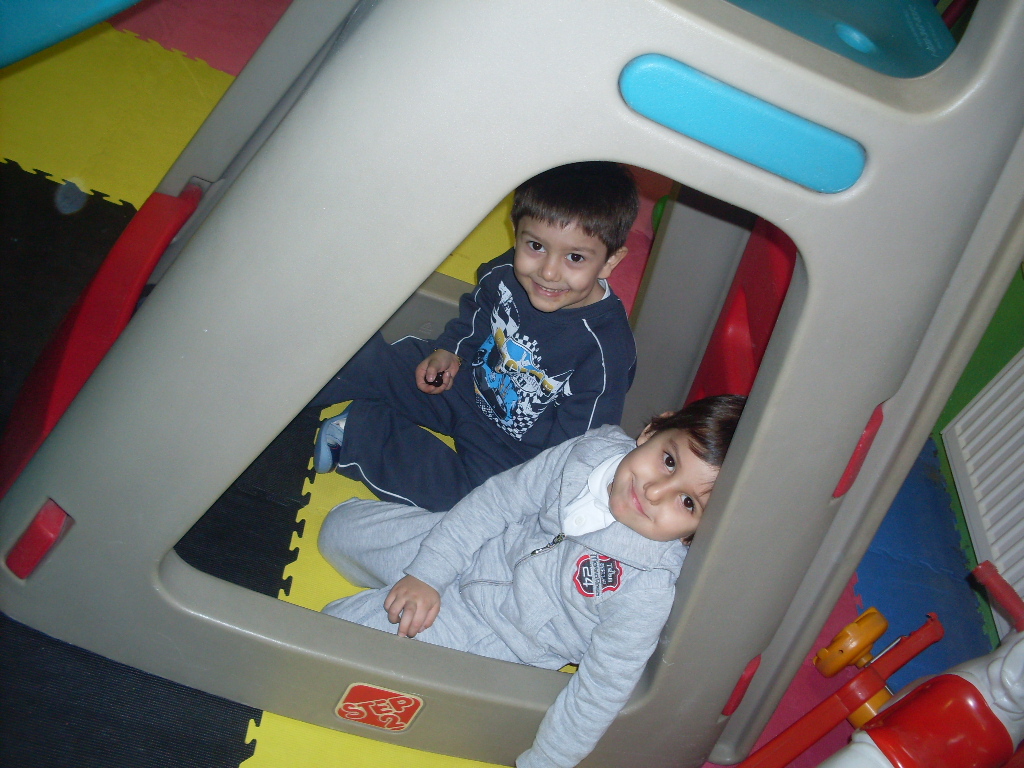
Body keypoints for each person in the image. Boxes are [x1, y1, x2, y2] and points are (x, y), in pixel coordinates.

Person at [318, 394, 746, 768]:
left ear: (693, 534)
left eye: (686, 502)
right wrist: (428, 574)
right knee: (337, 530)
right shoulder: (587, 454)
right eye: (669, 461)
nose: (655, 492)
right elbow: (497, 502)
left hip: (492, 630)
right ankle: (400, 572)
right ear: (653, 430)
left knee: (332, 640)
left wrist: (546, 762)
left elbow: (600, 689)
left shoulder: (646, 587)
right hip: (479, 549)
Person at [312, 161, 640, 511]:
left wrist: (537, 493)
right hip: (460, 384)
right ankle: (297, 382)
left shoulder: (605, 350)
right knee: (378, 361)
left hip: (510, 448)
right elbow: (481, 308)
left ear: (609, 261)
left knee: (472, 509)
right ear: (516, 231)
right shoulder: (508, 270)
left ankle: (360, 435)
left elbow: (578, 442)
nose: (547, 271)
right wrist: (449, 350)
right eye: (535, 246)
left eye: (574, 257)